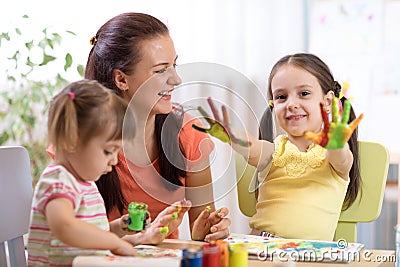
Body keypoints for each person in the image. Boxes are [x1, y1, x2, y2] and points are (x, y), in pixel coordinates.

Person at [84, 12, 230, 242]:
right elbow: (68, 237)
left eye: (174, 65)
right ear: (121, 79)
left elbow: (201, 225)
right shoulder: (79, 137)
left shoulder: (190, 134)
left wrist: (207, 230)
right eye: (161, 70)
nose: (176, 79)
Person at [196, 53, 363, 241]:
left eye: (304, 94)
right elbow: (251, 147)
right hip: (260, 248)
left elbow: (341, 159)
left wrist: (336, 145)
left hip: (310, 257)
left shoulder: (335, 158)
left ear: (327, 101)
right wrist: (232, 136)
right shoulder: (273, 151)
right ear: (273, 105)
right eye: (282, 97)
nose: (291, 104)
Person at [28, 80, 190, 267]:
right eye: (108, 151)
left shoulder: (84, 183)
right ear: (71, 142)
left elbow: (89, 235)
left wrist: (117, 228)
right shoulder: (58, 180)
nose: (114, 160)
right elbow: (65, 227)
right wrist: (113, 242)